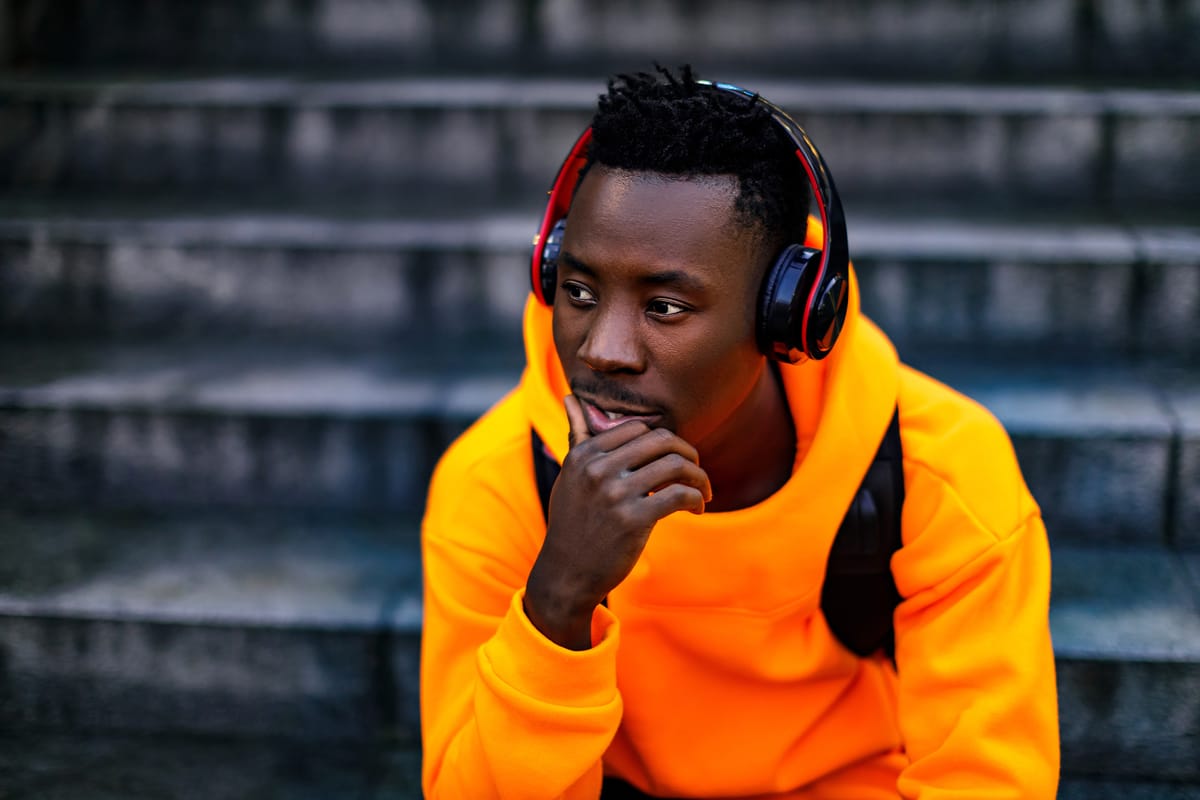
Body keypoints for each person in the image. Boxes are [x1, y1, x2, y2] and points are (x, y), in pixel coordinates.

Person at [420, 66, 1059, 799]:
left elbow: (986, 780)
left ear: (788, 315)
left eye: (665, 307)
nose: (603, 350)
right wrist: (558, 601)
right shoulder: (497, 481)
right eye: (580, 291)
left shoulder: (936, 468)